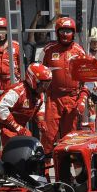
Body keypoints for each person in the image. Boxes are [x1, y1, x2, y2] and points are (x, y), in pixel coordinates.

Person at [38, 17, 87, 155]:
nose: (65, 34)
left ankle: (68, 172)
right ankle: (45, 172)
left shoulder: (79, 51)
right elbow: (36, 73)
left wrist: (82, 99)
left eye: (68, 31)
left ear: (74, 33)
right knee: (48, 136)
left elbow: (88, 79)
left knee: (70, 138)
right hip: (52, 99)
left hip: (72, 99)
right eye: (63, 31)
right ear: (57, 32)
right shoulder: (47, 50)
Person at [0, 63, 51, 160]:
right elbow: (0, 107)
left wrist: (41, 122)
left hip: (14, 127)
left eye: (47, 84)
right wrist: (18, 128)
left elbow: (40, 108)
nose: (45, 88)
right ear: (33, 80)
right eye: (44, 84)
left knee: (18, 153)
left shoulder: (39, 95)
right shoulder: (18, 91)